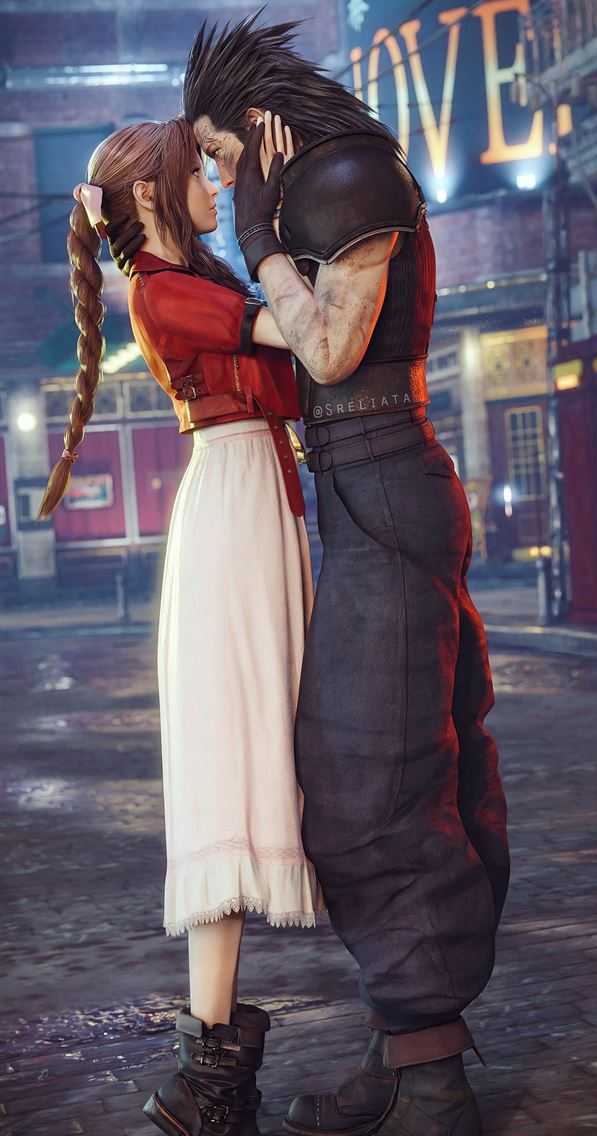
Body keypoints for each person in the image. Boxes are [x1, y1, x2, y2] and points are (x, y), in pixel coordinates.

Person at [108, 18, 511, 1136]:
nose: (218, 174)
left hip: (382, 482)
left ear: (251, 126)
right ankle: (405, 1049)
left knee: (374, 773)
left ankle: (432, 1077)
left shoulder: (345, 178)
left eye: (218, 152)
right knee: (369, 766)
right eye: (207, 165)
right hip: (354, 488)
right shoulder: (318, 187)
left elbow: (326, 350)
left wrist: (255, 231)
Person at [38, 114, 323, 1136]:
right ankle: (206, 1085)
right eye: (197, 168)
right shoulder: (166, 292)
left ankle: (210, 1086)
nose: (212, 179)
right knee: (232, 770)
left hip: (250, 505)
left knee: (251, 762)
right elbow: (303, 331)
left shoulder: (177, 284)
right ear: (152, 191)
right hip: (235, 513)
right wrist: (267, 208)